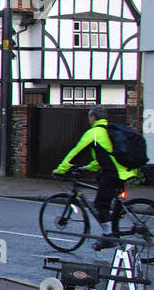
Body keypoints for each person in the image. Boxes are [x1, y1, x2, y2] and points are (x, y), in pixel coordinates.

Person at [54, 105, 134, 250]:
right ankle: (114, 228)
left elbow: (75, 152)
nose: (89, 120)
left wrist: (61, 169)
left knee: (100, 204)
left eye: (89, 117)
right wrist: (87, 168)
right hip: (126, 171)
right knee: (108, 195)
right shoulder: (110, 131)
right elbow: (105, 157)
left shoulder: (95, 133)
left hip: (114, 173)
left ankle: (108, 237)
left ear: (93, 118)